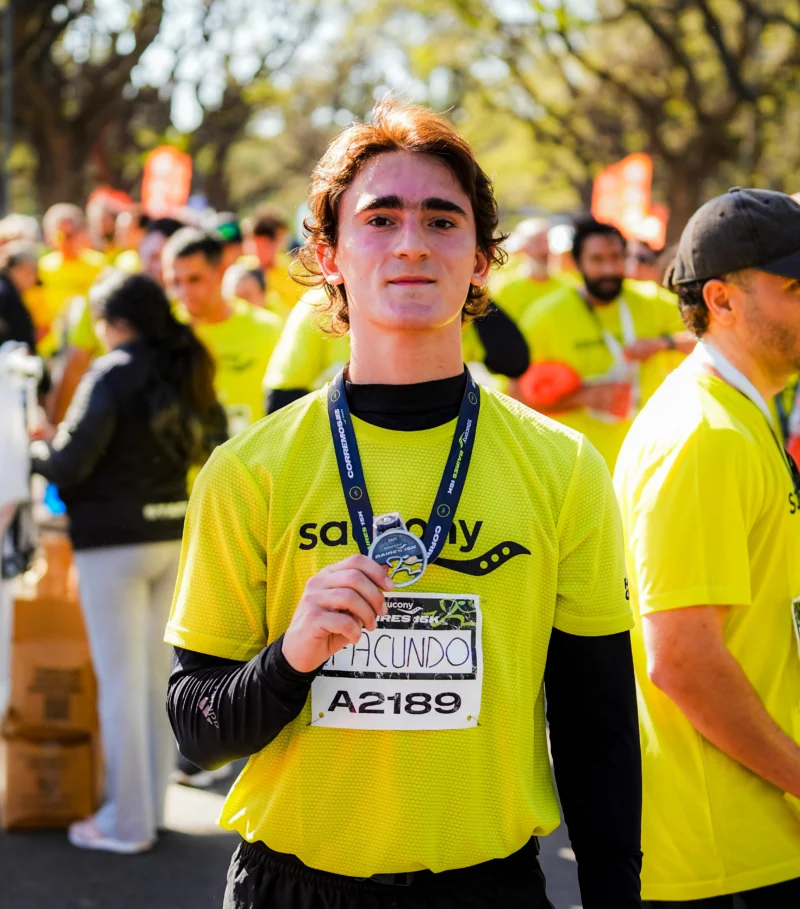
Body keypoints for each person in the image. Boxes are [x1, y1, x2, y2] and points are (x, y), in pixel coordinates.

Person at [165, 99, 642, 909]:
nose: (413, 243)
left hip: (487, 889)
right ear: (330, 254)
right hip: (293, 887)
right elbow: (197, 729)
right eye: (380, 218)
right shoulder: (248, 471)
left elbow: (596, 725)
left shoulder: (562, 466)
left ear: (482, 260)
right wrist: (291, 655)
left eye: (442, 220)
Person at [614, 187, 800, 906]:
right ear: (721, 299)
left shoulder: (738, 411)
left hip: (753, 837)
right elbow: (685, 660)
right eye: (793, 288)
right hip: (724, 854)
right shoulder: (704, 434)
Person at [29, 270, 226, 854]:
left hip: (112, 543)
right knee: (157, 680)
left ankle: (126, 824)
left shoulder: (112, 372)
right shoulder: (184, 364)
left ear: (114, 321)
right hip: (173, 535)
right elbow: (219, 441)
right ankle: (150, 812)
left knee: (121, 684)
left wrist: (36, 447)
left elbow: (69, 464)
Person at [519, 217, 694, 471]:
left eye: (616, 257)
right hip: (573, 468)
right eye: (597, 259)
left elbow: (709, 339)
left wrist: (662, 343)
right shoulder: (545, 317)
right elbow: (516, 399)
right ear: (577, 263)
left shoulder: (651, 300)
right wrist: (583, 397)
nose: (609, 269)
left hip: (646, 462)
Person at [162, 228, 282, 436]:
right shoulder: (162, 335)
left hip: (256, 452)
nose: (184, 292)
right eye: (175, 282)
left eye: (194, 279)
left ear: (221, 271)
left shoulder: (268, 329)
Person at [492, 217, 566, 323]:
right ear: (523, 247)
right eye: (538, 242)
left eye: (547, 242)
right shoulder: (504, 288)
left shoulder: (565, 286)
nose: (545, 249)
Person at [242, 204, 300, 310]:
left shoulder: (291, 268)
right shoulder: (243, 270)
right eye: (256, 246)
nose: (259, 252)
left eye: (264, 246)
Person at [0, 241, 39, 351]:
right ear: (25, 267)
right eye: (33, 270)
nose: (35, 277)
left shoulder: (10, 290)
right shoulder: (3, 292)